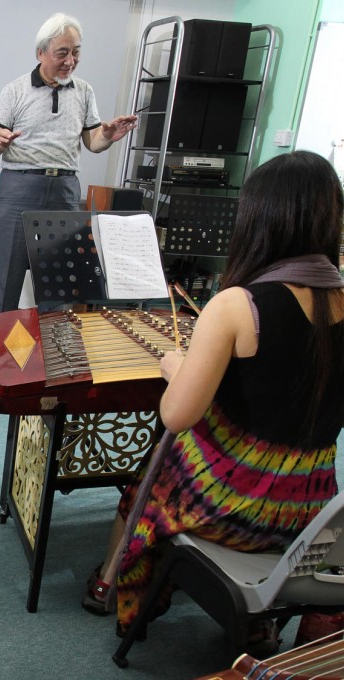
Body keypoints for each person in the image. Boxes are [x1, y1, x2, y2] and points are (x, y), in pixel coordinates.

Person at [83, 151, 344, 649]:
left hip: (238, 507)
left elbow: (177, 414)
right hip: (311, 516)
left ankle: (109, 582)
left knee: (154, 470)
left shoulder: (236, 306)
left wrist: (174, 366)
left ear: (260, 218)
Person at [0, 12, 137, 369]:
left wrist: (108, 136)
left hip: (65, 187)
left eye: (76, 53)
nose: (70, 61)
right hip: (20, 186)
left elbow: (93, 141)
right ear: (41, 53)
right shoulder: (15, 90)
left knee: (61, 278)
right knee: (7, 274)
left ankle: (54, 353)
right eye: (62, 52)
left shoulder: (84, 91)